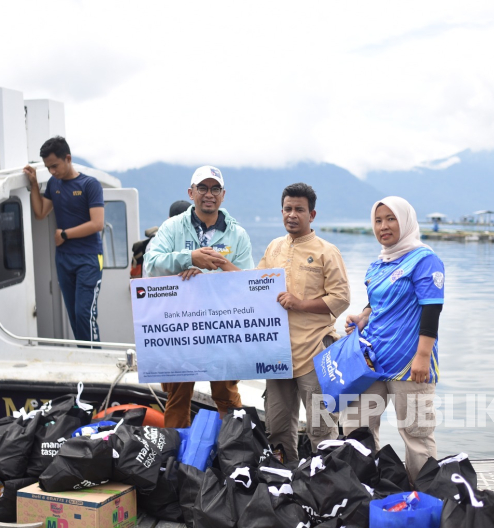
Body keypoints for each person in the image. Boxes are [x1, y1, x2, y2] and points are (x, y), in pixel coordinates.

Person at [342, 196, 444, 481]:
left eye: (391, 219)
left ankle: (425, 499)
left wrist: (422, 356)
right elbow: (377, 304)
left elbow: (432, 309)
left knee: (416, 435)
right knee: (356, 425)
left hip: (410, 366)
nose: (383, 226)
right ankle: (366, 490)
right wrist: (362, 317)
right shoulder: (378, 264)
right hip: (371, 362)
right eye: (378, 220)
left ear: (406, 221)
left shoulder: (425, 260)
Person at [144, 165, 254, 427]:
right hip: (181, 325)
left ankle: (235, 450)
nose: (209, 194)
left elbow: (246, 282)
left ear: (223, 195)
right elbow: (151, 263)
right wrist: (189, 258)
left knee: (226, 394)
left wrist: (213, 269)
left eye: (215, 188)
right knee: (178, 395)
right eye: (202, 188)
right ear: (191, 192)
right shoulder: (172, 227)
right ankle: (175, 456)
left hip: (222, 325)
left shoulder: (238, 234)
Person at [257, 183, 350, 462]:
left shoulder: (326, 251)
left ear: (312, 214)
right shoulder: (274, 247)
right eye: (287, 209)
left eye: (299, 209)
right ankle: (286, 484)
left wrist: (300, 304)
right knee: (278, 429)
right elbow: (253, 287)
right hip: (277, 355)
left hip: (315, 354)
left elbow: (341, 298)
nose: (292, 215)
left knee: (322, 429)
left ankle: (328, 486)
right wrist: (223, 268)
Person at [25, 137, 104, 345]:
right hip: (64, 259)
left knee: (84, 314)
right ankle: (85, 359)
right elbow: (41, 212)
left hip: (89, 258)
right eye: (48, 167)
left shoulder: (90, 184)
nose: (52, 171)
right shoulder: (54, 184)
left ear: (67, 158)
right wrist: (34, 184)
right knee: (74, 317)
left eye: (54, 166)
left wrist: (65, 234)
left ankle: (95, 362)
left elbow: (97, 224)